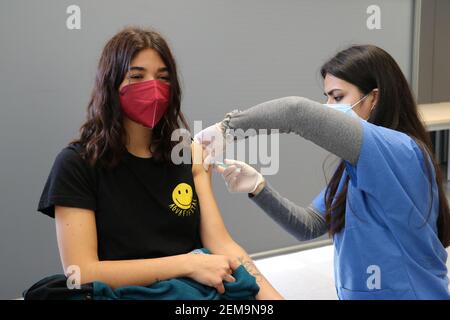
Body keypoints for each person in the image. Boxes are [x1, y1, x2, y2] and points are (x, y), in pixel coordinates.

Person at [37, 27, 282, 300]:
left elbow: (222, 244)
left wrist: (274, 299)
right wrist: (187, 264)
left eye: (163, 78)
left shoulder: (186, 153)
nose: (153, 88)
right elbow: (80, 272)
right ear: (110, 83)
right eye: (137, 76)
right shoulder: (76, 164)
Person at [195, 45, 450, 299]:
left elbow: (297, 113)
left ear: (374, 98)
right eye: (326, 97)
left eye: (337, 97)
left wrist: (228, 127)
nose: (328, 107)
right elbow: (309, 225)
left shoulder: (400, 150)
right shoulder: (355, 168)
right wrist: (258, 188)